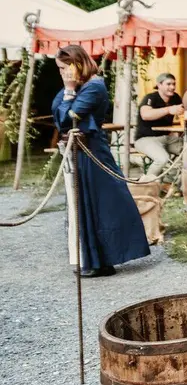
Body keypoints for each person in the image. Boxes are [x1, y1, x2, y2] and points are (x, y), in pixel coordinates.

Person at [52, 46, 150, 277]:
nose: (62, 73)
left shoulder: (93, 87)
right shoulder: (82, 86)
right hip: (81, 150)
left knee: (100, 202)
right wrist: (68, 92)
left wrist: (68, 90)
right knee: (85, 202)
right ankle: (96, 260)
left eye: (64, 68)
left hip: (92, 150)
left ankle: (101, 260)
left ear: (76, 65)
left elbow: (68, 120)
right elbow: (57, 111)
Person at [134, 72, 184, 180]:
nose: (172, 87)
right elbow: (145, 115)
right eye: (169, 84)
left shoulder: (176, 98)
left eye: (174, 84)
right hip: (145, 139)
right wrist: (168, 110)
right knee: (162, 159)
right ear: (159, 85)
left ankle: (177, 184)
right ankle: (146, 186)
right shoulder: (151, 97)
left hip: (166, 138)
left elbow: (183, 114)